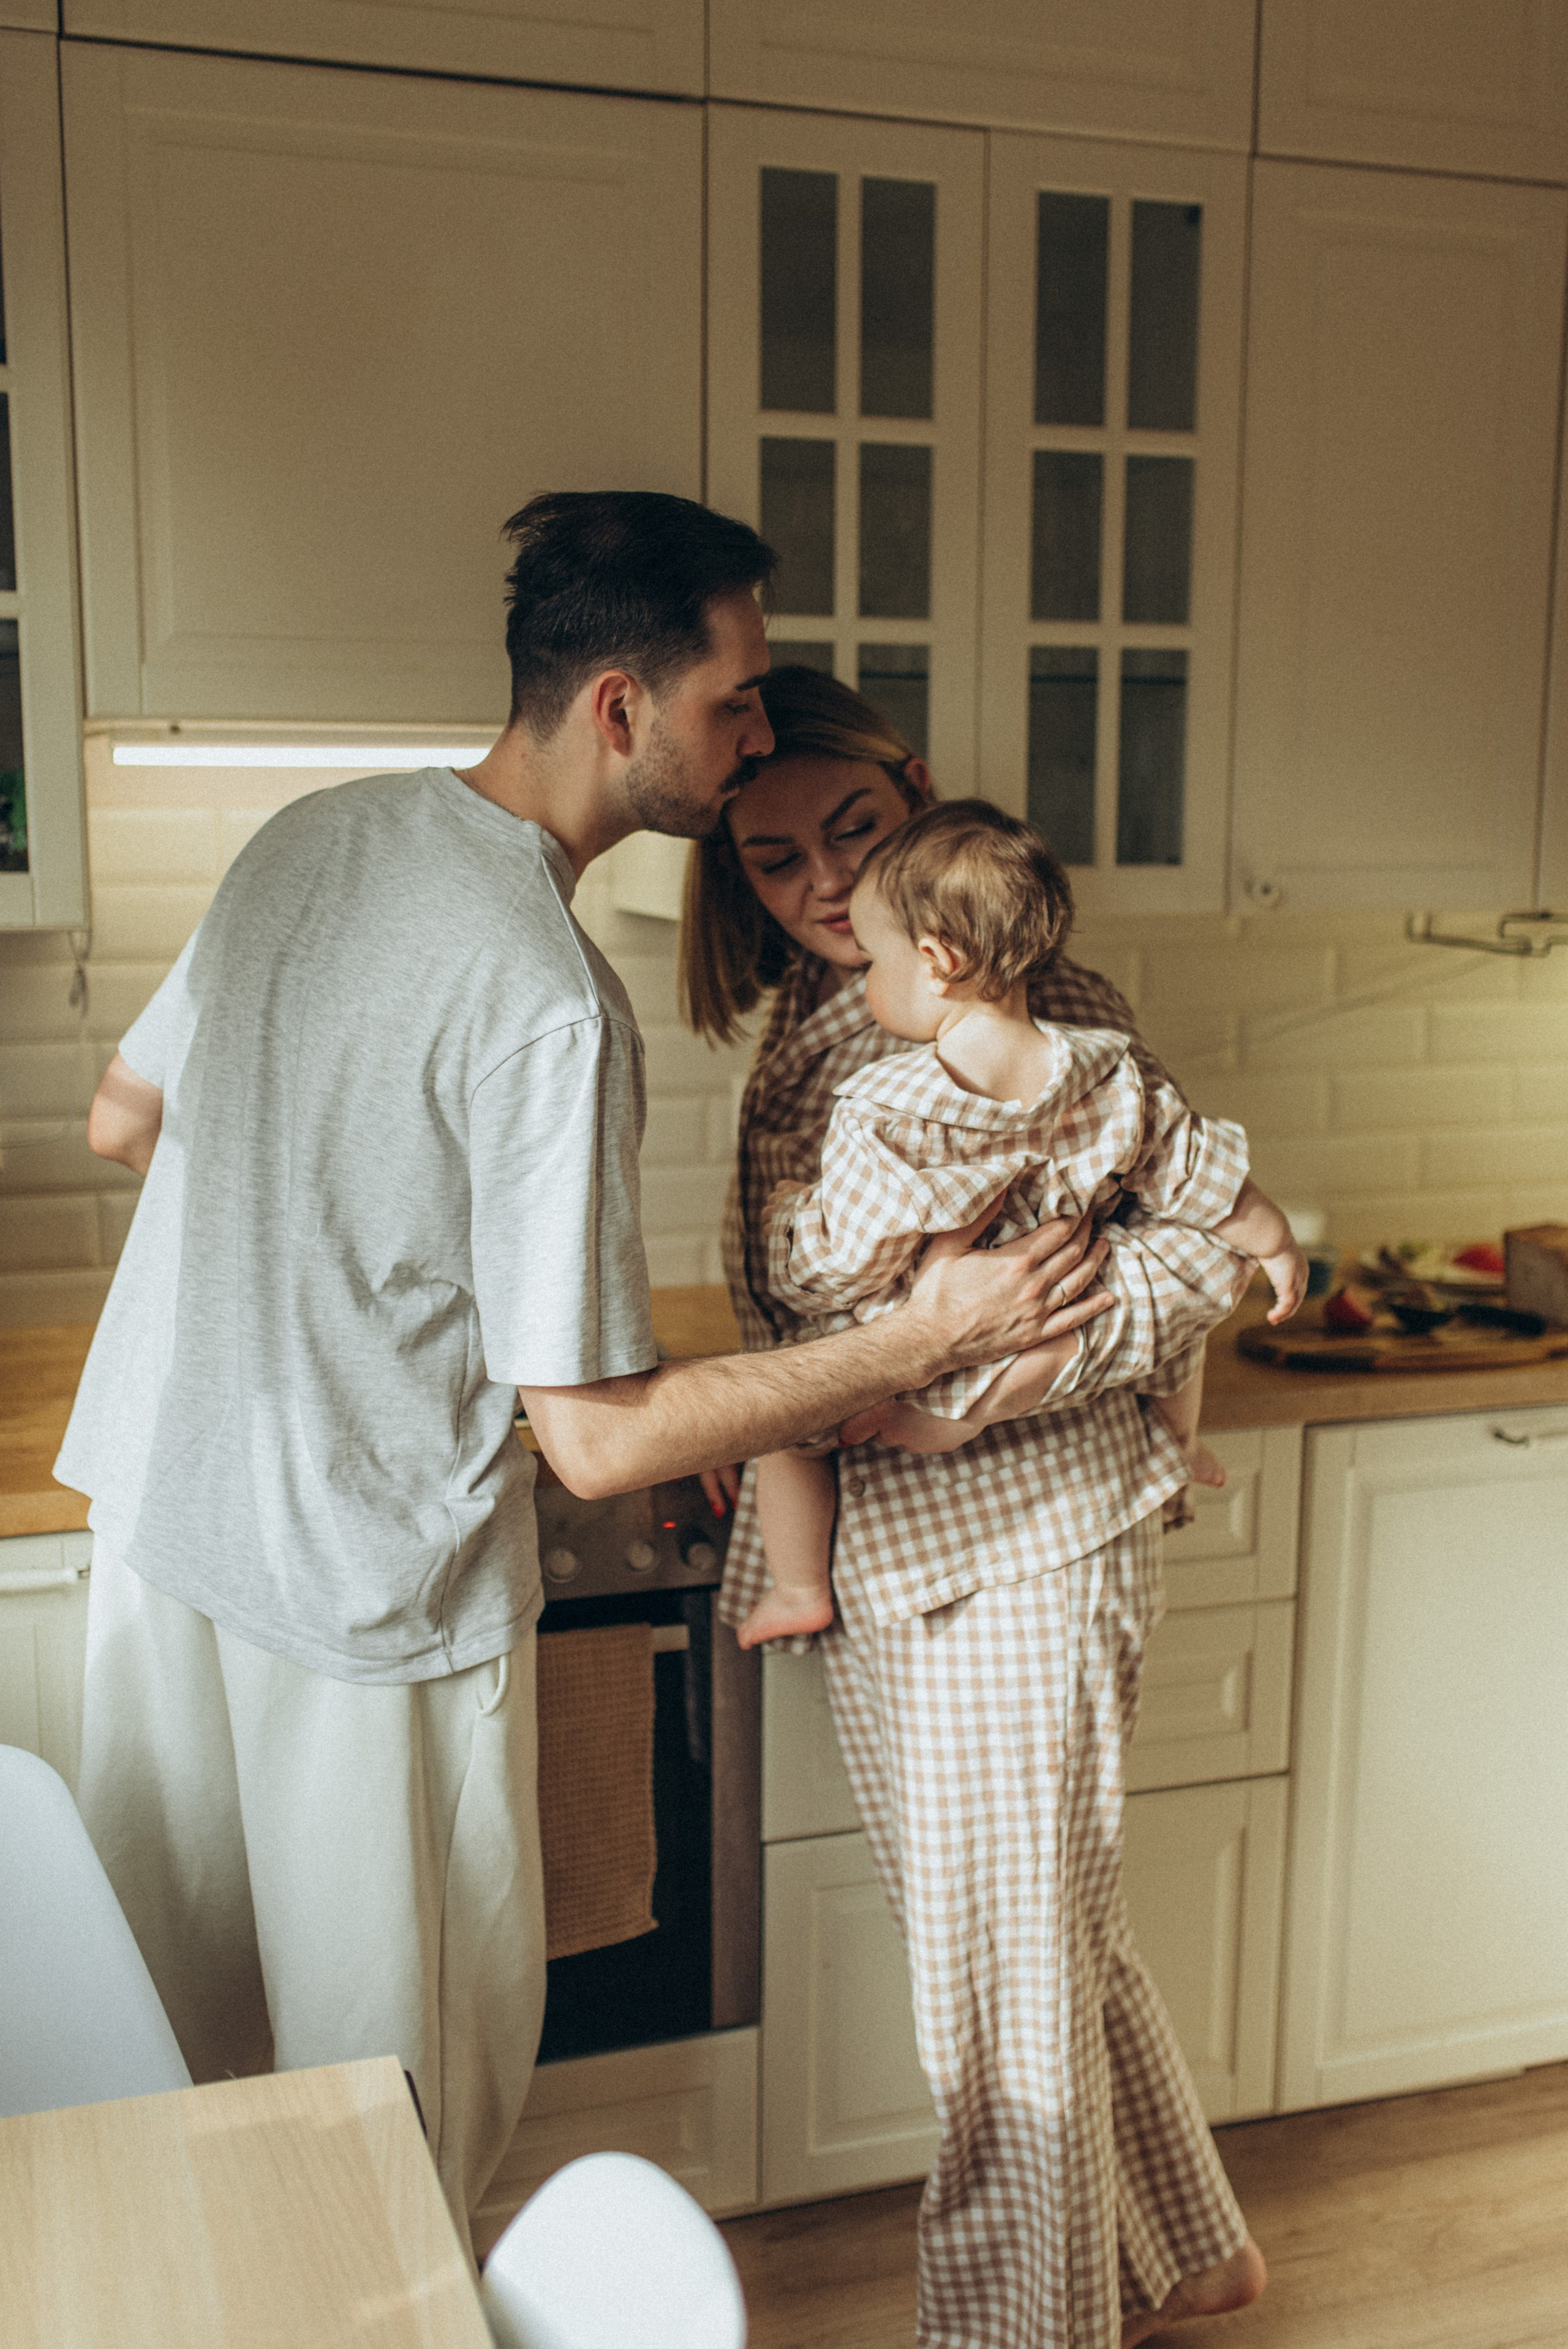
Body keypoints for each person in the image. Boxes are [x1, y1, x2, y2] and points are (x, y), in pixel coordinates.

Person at [57, 497, 1107, 2267]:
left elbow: (127, 1115)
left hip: (161, 1547)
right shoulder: (548, 995)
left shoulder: (313, 837)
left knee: (178, 2094)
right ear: (620, 707)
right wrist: (928, 1337)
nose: (760, 735)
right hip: (355, 1607)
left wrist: (311, 1269)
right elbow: (602, 1437)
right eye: (738, 700)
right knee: (386, 2144)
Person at [680, 665, 1268, 2349]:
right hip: (897, 1565)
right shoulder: (813, 1021)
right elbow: (819, 1316)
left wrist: (964, 1387)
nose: (818, 888)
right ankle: (1193, 2249)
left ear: (915, 799)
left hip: (1017, 1554)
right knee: (1039, 1935)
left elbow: (1179, 1257)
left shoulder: (1026, 997)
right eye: (773, 859)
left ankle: (1022, 2332)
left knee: (995, 1991)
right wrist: (839, 1391)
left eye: (850, 837)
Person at [742, 797, 1307, 1649]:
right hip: (1070, 1319)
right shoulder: (1107, 1069)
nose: (864, 983)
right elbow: (1197, 1175)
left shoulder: (890, 1105)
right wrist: (1274, 1241)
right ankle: (1179, 1446)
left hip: (945, 1344)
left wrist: (789, 1223)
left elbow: (846, 1260)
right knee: (1177, 1326)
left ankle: (796, 1587)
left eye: (874, 962)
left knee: (787, 1414)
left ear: (934, 961)